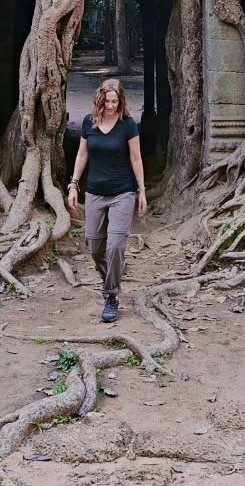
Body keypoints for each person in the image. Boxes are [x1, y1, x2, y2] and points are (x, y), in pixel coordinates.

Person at [68, 78, 147, 323]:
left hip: (123, 193)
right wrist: (73, 184)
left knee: (115, 246)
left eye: (115, 101)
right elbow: (82, 154)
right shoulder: (89, 123)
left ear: (120, 101)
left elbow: (136, 158)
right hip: (94, 193)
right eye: (106, 101)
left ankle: (111, 296)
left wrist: (141, 191)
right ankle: (111, 275)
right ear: (99, 99)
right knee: (95, 245)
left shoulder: (127, 125)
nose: (110, 105)